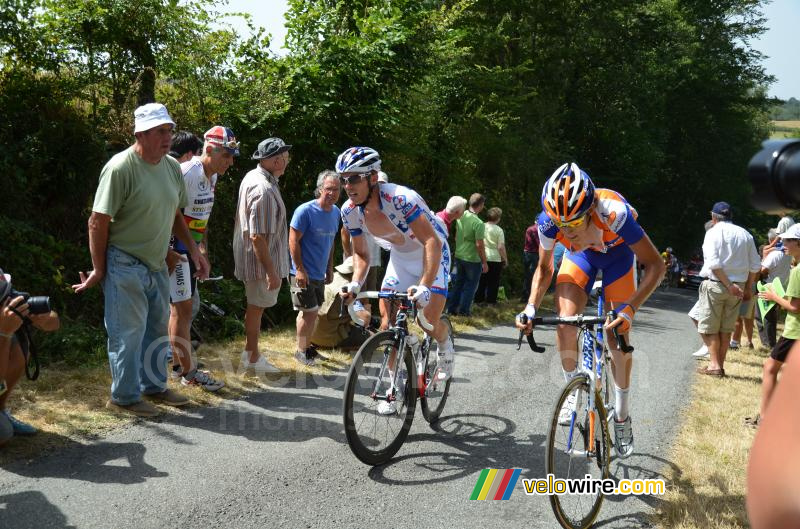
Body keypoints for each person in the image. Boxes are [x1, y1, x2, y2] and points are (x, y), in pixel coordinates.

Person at [516, 162, 665, 459]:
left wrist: (630, 310)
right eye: (560, 225)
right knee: (565, 322)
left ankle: (622, 414)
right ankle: (572, 388)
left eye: (572, 225)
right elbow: (545, 268)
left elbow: (656, 266)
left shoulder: (615, 215)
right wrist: (531, 307)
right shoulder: (549, 223)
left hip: (618, 258)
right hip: (583, 258)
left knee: (616, 338)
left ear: (590, 212)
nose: (565, 232)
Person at [72, 103, 209, 417]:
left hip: (158, 263)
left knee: (156, 330)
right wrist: (99, 268)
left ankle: (154, 387)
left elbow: (176, 213)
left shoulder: (172, 167)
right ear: (141, 133)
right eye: (160, 131)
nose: (168, 137)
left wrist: (194, 251)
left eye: (169, 130)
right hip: (124, 261)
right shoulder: (120, 167)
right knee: (127, 333)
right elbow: (97, 221)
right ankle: (125, 397)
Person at [337, 146, 454, 414]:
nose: (348, 185)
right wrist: (355, 284)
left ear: (373, 178)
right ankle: (392, 386)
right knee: (388, 324)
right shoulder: (349, 211)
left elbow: (430, 241)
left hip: (431, 253)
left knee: (427, 321)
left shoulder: (401, 199)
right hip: (401, 258)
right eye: (344, 179)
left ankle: (445, 345)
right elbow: (363, 254)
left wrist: (425, 285)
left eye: (354, 178)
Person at [167, 125, 238, 392]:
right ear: (209, 150)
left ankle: (178, 366)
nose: (230, 162)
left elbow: (201, 217)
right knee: (182, 310)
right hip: (175, 249)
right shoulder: (188, 172)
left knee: (181, 311)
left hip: (189, 250)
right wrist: (170, 251)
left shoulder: (212, 176)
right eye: (226, 156)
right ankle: (188, 372)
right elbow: (168, 213)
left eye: (232, 156)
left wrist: (202, 252)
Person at [233, 137, 292, 374]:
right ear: (276, 160)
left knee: (255, 306)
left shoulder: (255, 176)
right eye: (286, 158)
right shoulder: (264, 189)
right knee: (257, 307)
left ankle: (251, 352)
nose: (287, 161)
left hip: (257, 257)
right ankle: (252, 357)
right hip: (261, 261)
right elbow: (258, 237)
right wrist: (271, 272)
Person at [694, 201, 760, 377]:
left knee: (707, 327)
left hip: (717, 284)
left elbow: (713, 263)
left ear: (714, 217)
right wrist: (747, 287)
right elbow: (755, 265)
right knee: (725, 330)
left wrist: (728, 285)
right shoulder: (745, 234)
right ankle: (719, 367)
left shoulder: (713, 233)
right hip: (738, 288)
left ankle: (715, 365)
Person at [0, 270, 60, 444]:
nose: (8, 300)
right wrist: (3, 333)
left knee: (18, 344)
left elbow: (55, 322)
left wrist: (42, 319)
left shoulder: (7, 296)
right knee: (3, 433)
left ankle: (1, 409)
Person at [289, 170, 341, 366]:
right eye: (328, 189)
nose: (332, 193)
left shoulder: (336, 212)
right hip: (302, 272)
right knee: (309, 312)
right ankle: (300, 352)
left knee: (312, 311)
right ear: (320, 189)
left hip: (320, 272)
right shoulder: (305, 211)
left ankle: (306, 347)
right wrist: (300, 269)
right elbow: (293, 240)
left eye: (336, 190)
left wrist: (329, 268)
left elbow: (331, 242)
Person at [752, 224, 800, 428]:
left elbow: (795, 307)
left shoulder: (798, 271)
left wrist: (773, 296)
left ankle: (765, 418)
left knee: (770, 367)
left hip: (794, 330)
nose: (783, 243)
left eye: (787, 240)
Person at [309, 257, 372, 351]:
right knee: (371, 337)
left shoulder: (328, 278)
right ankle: (339, 346)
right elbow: (365, 319)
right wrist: (366, 304)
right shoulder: (349, 289)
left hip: (309, 334)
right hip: (328, 338)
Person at [447, 193, 488, 316]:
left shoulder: (461, 215)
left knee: (458, 284)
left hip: (459, 255)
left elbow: (456, 235)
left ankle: (452, 309)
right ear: (480, 205)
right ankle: (464, 311)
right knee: (470, 286)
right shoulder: (479, 223)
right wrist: (484, 262)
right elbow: (479, 244)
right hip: (472, 259)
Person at [756, 228, 792, 350]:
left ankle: (769, 344)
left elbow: (763, 270)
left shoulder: (775, 254)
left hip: (768, 287)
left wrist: (764, 257)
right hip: (780, 287)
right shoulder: (787, 255)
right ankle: (769, 342)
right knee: (770, 316)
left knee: (764, 316)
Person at [475, 207, 507, 304]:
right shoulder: (499, 230)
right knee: (494, 282)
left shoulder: (481, 226)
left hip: (482, 256)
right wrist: (505, 258)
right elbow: (501, 247)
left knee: (481, 280)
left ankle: (478, 300)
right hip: (495, 258)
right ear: (498, 218)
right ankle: (491, 302)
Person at [522, 221, 540, 301]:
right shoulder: (537, 229)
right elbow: (539, 243)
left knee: (527, 276)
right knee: (533, 276)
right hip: (533, 254)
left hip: (527, 253)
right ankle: (531, 297)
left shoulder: (530, 228)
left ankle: (525, 296)